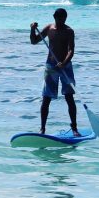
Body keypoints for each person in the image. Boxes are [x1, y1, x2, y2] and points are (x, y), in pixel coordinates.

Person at [30, 8, 79, 136]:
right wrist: (32, 29)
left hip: (66, 67)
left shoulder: (69, 31)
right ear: (54, 17)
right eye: (60, 19)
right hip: (51, 67)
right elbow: (34, 41)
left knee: (69, 97)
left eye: (64, 19)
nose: (62, 22)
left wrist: (64, 63)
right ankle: (42, 129)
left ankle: (74, 128)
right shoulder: (49, 28)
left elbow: (71, 50)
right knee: (46, 98)